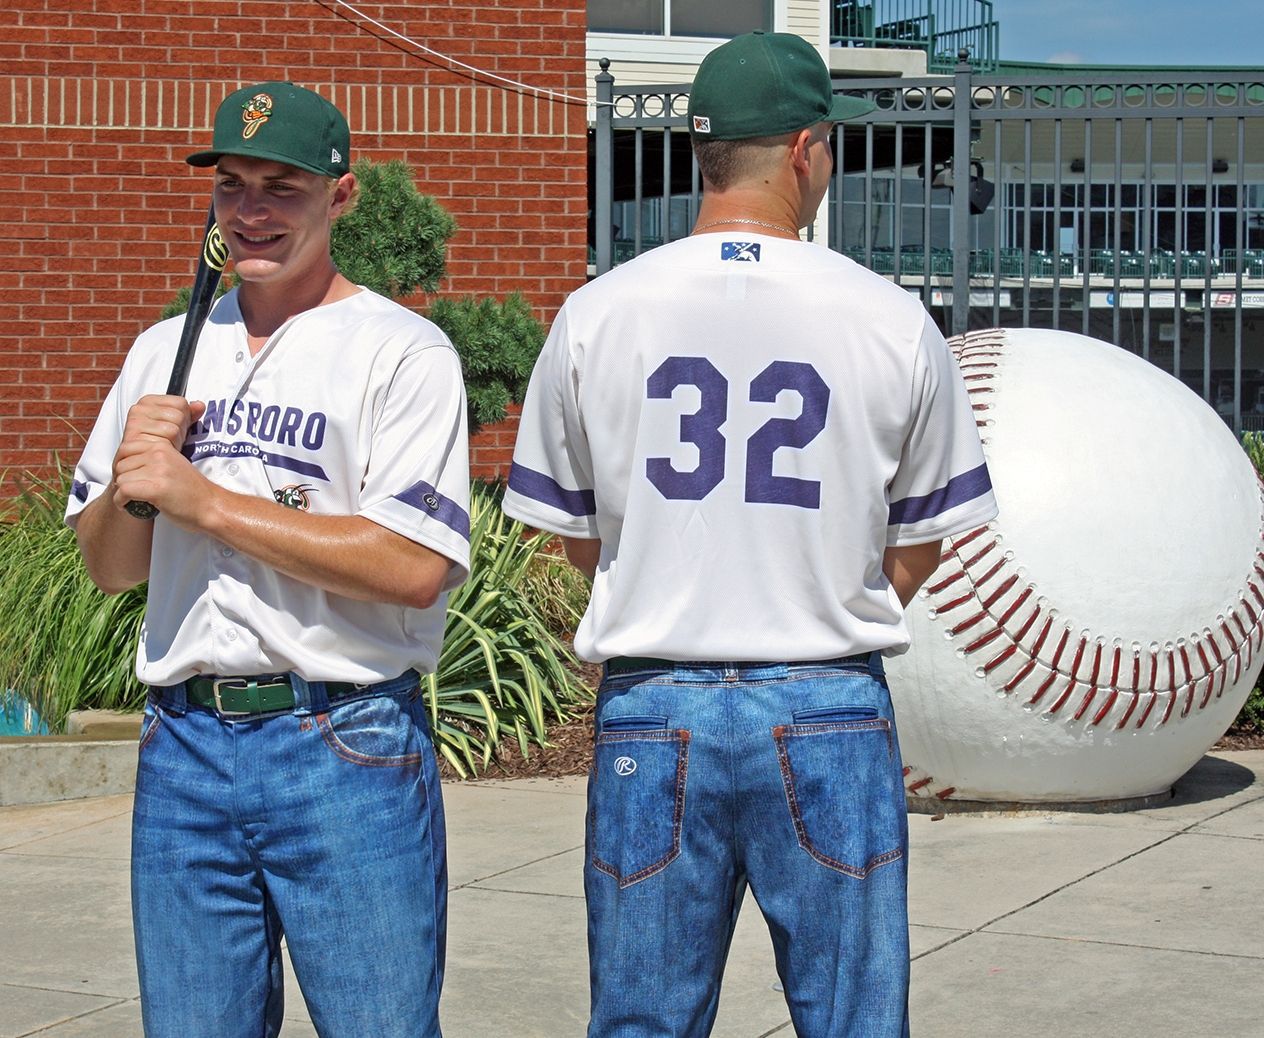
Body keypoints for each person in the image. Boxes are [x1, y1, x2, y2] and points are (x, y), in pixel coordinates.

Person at [502, 31, 998, 1038]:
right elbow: (925, 537)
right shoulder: (887, 317)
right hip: (826, 698)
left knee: (642, 1021)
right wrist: (815, 599)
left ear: (702, 152)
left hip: (655, 696)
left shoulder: (597, 312)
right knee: (854, 1021)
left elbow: (573, 537)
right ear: (810, 148)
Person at [65, 82, 469, 1037]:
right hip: (184, 749)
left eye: (282, 187)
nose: (251, 211)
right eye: (233, 185)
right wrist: (136, 478)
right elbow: (111, 567)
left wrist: (202, 499)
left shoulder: (400, 352)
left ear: (342, 196)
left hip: (343, 746)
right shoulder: (167, 349)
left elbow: (414, 565)